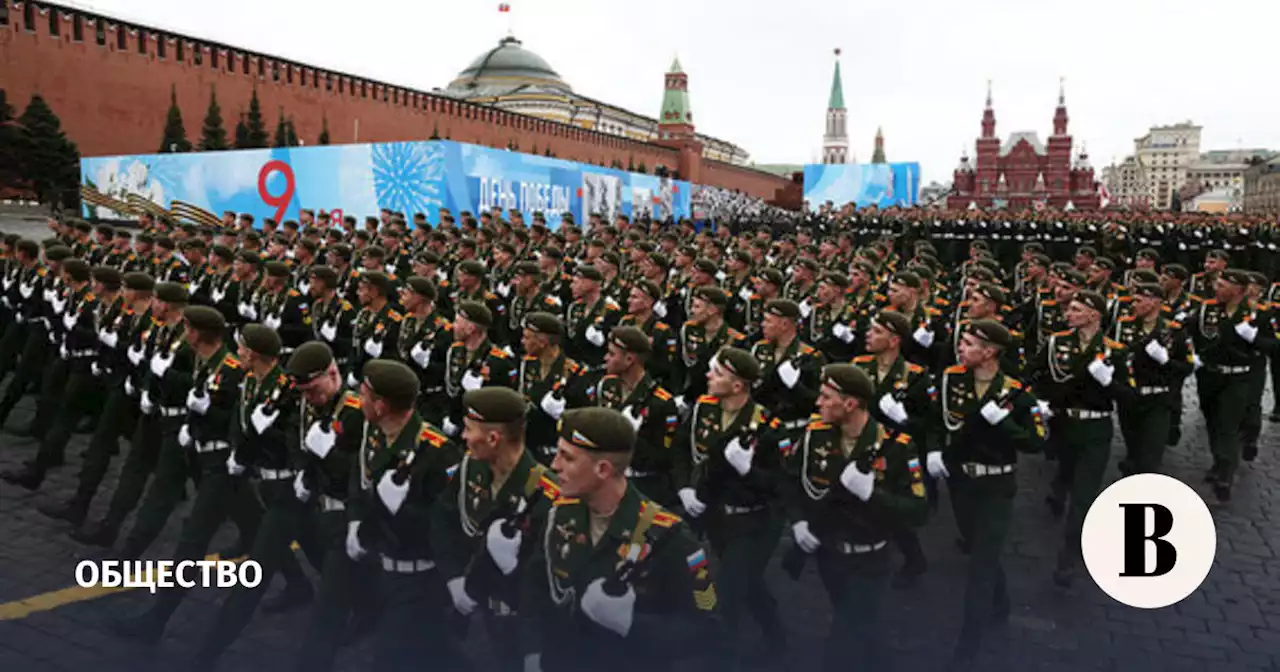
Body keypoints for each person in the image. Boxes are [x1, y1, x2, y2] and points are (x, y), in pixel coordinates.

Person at [519, 407, 723, 672]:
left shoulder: (669, 537)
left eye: (566, 457)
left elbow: (707, 626)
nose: (554, 465)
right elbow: (535, 588)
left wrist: (631, 624)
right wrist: (532, 652)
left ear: (603, 469)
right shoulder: (559, 514)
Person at [783, 363, 929, 672]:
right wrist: (797, 521)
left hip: (870, 558)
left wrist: (871, 494)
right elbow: (790, 482)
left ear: (849, 404)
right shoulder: (814, 436)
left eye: (826, 397)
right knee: (861, 628)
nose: (817, 402)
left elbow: (919, 510)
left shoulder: (898, 447)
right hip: (829, 555)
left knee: (841, 644)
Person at [924, 320, 1046, 668]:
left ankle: (968, 644)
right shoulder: (951, 380)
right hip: (961, 481)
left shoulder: (1016, 392)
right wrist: (933, 450)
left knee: (979, 566)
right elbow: (935, 419)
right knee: (979, 547)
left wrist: (1003, 422)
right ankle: (1002, 600)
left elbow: (1037, 442)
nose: (960, 348)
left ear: (989, 352)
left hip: (997, 485)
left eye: (968, 344)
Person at [345, 359, 467, 669]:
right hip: (382, 568)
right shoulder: (374, 432)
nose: (359, 402)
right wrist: (356, 520)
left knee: (388, 659)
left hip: (420, 578)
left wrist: (405, 510)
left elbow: (450, 525)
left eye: (364, 396)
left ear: (382, 405)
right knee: (439, 653)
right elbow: (361, 480)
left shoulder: (438, 453)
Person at [432, 386, 562, 672]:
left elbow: (551, 582)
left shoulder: (548, 496)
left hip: (530, 625)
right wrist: (454, 576)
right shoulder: (471, 469)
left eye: (469, 429)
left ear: (493, 438)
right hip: (485, 614)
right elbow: (443, 519)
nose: (463, 437)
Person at [672, 347, 787, 668]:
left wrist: (749, 471)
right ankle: (777, 638)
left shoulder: (765, 424)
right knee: (749, 585)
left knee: (727, 597)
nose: (709, 376)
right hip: (716, 519)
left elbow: (781, 485)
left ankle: (721, 661)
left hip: (755, 523)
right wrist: (684, 488)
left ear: (738, 386)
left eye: (718, 373)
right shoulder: (702, 409)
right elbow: (681, 449)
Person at [1027, 290, 1131, 588]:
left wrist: (1109, 381)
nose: (1068, 314)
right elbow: (1031, 374)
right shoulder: (1056, 343)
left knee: (1084, 495)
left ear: (1094, 314)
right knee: (1066, 472)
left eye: (1076, 309)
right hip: (1063, 424)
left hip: (1095, 429)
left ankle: (1069, 554)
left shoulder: (1114, 351)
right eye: (1069, 309)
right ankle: (1059, 488)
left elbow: (1129, 396)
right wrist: (1039, 402)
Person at [1189, 269, 1274, 501]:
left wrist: (1253, 338)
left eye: (1222, 285)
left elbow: (1273, 346)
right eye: (1217, 284)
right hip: (1209, 375)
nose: (1216, 288)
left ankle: (1226, 471)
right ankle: (1219, 461)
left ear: (1239, 289)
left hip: (1239, 377)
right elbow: (1188, 332)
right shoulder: (1208, 309)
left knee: (1228, 422)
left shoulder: (1259, 314)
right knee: (1213, 421)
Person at [591, 326, 680, 507]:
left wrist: (633, 438)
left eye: (612, 354)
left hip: (642, 486)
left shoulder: (660, 402)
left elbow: (665, 458)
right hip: (605, 480)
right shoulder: (607, 387)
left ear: (630, 359)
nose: (606, 358)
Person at [1112, 283, 1195, 475]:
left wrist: (1166, 361)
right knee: (1133, 450)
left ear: (1154, 302)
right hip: (1130, 398)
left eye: (1139, 301)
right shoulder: (1123, 325)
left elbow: (1187, 367)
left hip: (1158, 399)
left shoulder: (1173, 331)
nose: (1133, 304)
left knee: (1151, 455)